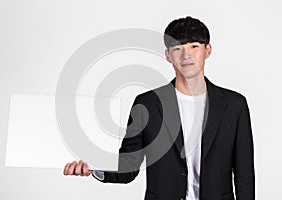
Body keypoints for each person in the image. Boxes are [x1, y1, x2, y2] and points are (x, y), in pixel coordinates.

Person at [63, 16, 255, 200]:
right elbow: (128, 167)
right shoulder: (147, 104)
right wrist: (94, 168)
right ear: (168, 55)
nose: (186, 55)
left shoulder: (234, 105)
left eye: (194, 46)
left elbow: (244, 174)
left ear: (208, 50)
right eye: (177, 48)